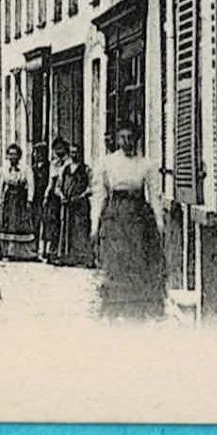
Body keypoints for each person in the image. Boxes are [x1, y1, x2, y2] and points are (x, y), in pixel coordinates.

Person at [93, 126, 167, 319]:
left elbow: (154, 195)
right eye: (122, 137)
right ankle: (115, 305)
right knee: (116, 260)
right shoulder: (108, 163)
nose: (126, 141)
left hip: (137, 216)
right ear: (117, 140)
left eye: (130, 137)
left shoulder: (146, 164)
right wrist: (95, 224)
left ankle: (136, 304)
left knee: (136, 259)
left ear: (137, 139)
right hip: (115, 215)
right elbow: (100, 194)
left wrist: (159, 222)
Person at [48, 138, 94, 267]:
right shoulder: (64, 169)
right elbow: (58, 186)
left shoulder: (86, 170)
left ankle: (83, 257)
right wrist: (62, 196)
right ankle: (67, 256)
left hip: (81, 205)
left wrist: (81, 196)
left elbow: (91, 187)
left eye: (76, 152)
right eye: (72, 152)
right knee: (66, 229)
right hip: (67, 204)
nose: (74, 155)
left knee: (81, 229)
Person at [0, 144, 37, 261]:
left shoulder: (25, 169)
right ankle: (8, 251)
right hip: (9, 198)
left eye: (15, 154)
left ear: (19, 156)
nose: (12, 157)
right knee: (9, 223)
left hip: (21, 199)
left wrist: (29, 200)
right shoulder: (4, 170)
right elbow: (0, 186)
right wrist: (0, 202)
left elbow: (31, 185)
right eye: (10, 154)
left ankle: (23, 253)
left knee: (21, 224)